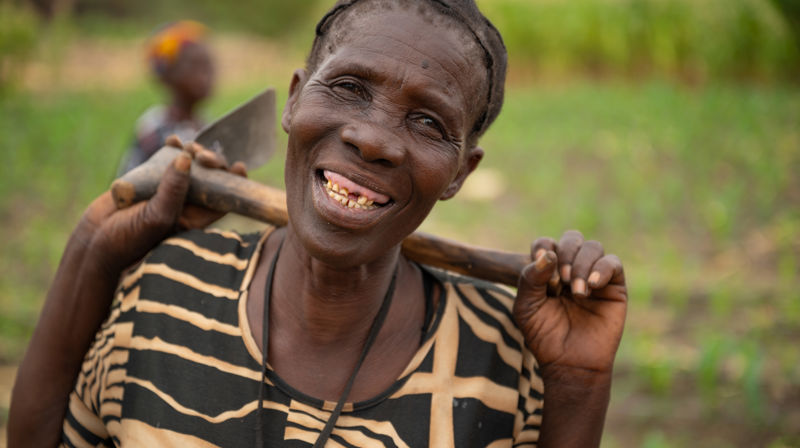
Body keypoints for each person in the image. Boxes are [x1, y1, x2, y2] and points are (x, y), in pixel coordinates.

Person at [9, 1, 628, 446]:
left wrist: (577, 384)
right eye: (350, 88)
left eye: (428, 123)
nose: (372, 139)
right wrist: (93, 246)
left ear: (461, 172)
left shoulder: (501, 359)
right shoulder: (161, 296)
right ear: (297, 97)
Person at [118, 20, 215, 175]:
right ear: (168, 76)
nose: (206, 77)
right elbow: (128, 184)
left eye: (209, 67)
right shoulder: (155, 128)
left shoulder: (207, 125)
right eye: (195, 67)